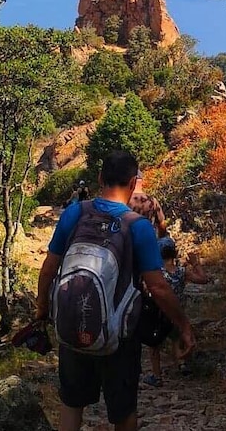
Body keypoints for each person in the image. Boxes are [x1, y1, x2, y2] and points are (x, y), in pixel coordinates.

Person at [35, 151, 195, 431]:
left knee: (71, 404)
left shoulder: (75, 213)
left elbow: (49, 268)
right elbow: (158, 286)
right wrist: (183, 326)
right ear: (133, 183)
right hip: (119, 336)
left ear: (100, 178)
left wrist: (42, 309)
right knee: (123, 412)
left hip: (73, 326)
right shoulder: (138, 227)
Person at [142, 237, 209, 387]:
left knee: (154, 345)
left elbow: (147, 290)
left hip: (159, 313)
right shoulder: (182, 272)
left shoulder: (156, 274)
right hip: (177, 313)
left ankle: (157, 376)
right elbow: (203, 279)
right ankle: (182, 364)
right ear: (175, 253)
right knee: (176, 339)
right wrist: (195, 263)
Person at [128, 170, 168, 238]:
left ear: (131, 181)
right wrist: (160, 239)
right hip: (147, 240)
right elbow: (162, 224)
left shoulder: (124, 200)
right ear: (142, 181)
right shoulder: (152, 201)